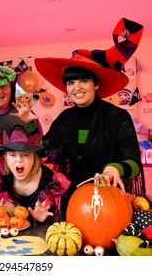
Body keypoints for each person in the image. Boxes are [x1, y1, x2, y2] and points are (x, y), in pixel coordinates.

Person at [34, 17, 145, 202]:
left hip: (111, 196)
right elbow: (42, 150)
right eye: (71, 82)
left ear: (96, 84)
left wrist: (114, 168)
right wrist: (30, 124)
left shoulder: (118, 117)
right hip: (75, 196)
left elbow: (134, 163)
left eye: (84, 80)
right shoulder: (65, 118)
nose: (76, 88)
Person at [0, 126, 70, 222]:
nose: (19, 160)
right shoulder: (2, 178)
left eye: (25, 155)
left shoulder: (49, 180)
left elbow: (58, 215)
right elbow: (11, 208)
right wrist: (1, 209)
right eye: (13, 155)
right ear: (5, 158)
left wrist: (41, 219)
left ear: (34, 158)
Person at [0, 66, 43, 142]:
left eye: (3, 87)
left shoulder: (25, 114)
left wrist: (30, 125)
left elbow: (40, 146)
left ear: (11, 91)